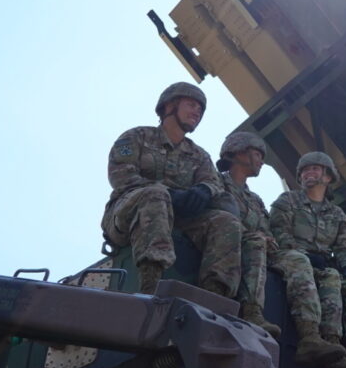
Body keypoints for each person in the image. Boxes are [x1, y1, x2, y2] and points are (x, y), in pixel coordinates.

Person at [100, 82, 241, 297]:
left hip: (178, 218)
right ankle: (150, 287)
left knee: (226, 222)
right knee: (156, 195)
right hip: (127, 214)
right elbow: (121, 176)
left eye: (200, 109)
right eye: (191, 105)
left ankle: (214, 295)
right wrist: (169, 194)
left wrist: (203, 191)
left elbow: (213, 183)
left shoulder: (199, 155)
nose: (197, 112)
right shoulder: (137, 137)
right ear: (169, 106)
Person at [269, 152, 346, 368]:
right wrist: (301, 252)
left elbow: (345, 247)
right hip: (288, 256)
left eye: (314, 169)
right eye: (304, 170)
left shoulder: (337, 215)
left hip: (322, 265)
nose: (307, 174)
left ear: (328, 177)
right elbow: (278, 232)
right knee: (302, 263)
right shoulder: (288, 201)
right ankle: (309, 338)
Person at [215, 131, 282, 338]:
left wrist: (269, 240)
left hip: (255, 249)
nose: (261, 161)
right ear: (238, 153)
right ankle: (251, 311)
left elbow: (265, 229)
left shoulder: (255, 199)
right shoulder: (216, 182)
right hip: (222, 245)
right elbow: (215, 215)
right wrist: (256, 237)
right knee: (254, 241)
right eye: (257, 155)